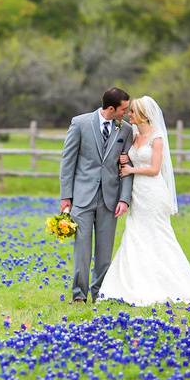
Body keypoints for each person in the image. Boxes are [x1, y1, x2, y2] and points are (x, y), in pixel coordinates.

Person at [97, 96, 190, 306]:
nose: (129, 115)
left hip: (152, 193)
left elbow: (155, 169)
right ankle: (131, 284)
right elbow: (129, 156)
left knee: (158, 235)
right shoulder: (134, 134)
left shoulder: (157, 138)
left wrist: (130, 169)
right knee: (135, 233)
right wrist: (125, 160)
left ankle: (172, 284)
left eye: (133, 112)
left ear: (143, 115)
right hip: (137, 193)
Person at [58, 87, 134, 304]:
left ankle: (100, 293)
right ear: (111, 108)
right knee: (81, 248)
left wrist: (124, 198)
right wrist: (66, 196)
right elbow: (68, 162)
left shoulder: (125, 130)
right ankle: (78, 295)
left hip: (110, 199)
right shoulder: (80, 124)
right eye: (123, 109)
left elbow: (127, 166)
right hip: (82, 198)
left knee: (104, 253)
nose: (126, 113)